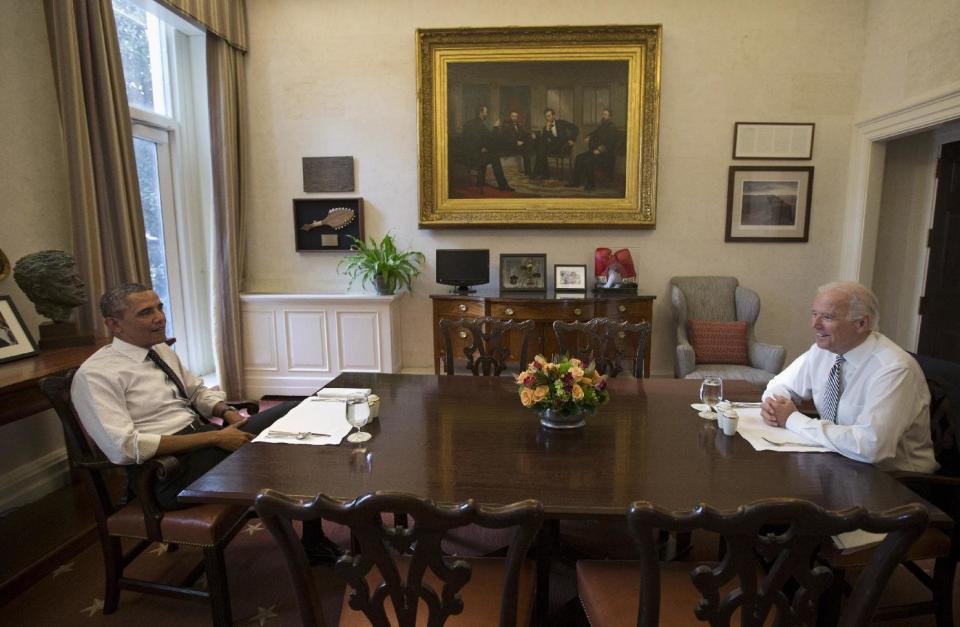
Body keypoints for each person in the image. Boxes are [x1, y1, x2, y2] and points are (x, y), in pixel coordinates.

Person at [71, 283, 342, 563]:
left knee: (297, 412)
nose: (159, 317)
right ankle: (315, 540)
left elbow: (197, 393)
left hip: (204, 444)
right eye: (145, 312)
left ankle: (319, 533)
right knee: (282, 453)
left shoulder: (160, 350)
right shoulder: (96, 375)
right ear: (114, 324)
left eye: (159, 307)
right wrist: (214, 438)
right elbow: (124, 448)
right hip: (167, 473)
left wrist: (228, 414)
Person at [761, 281, 937, 473]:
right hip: (840, 463)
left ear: (861, 323)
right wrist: (774, 406)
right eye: (814, 314)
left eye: (827, 317)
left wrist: (792, 419)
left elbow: (871, 447)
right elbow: (779, 384)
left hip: (896, 482)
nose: (815, 324)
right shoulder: (823, 351)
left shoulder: (894, 370)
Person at [461, 105, 514, 192]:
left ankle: (480, 181)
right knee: (494, 157)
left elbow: (475, 140)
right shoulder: (480, 125)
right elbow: (490, 138)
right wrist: (496, 127)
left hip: (467, 155)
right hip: (474, 157)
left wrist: (483, 147)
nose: (487, 114)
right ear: (481, 113)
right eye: (486, 112)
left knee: (487, 153)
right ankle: (503, 186)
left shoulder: (470, 123)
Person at [567, 108, 617, 191]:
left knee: (587, 160)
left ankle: (591, 184)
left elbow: (611, 144)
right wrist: (589, 136)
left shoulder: (612, 128)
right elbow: (595, 132)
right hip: (595, 151)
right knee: (579, 157)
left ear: (610, 117)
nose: (603, 117)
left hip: (605, 155)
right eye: (603, 114)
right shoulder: (602, 126)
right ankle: (576, 182)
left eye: (606, 115)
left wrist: (600, 150)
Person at [531, 108, 578, 180]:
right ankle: (543, 174)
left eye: (549, 116)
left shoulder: (561, 122)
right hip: (553, 147)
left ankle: (540, 173)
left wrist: (572, 139)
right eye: (546, 116)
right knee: (541, 148)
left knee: (541, 150)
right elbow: (544, 140)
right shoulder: (545, 127)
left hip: (563, 147)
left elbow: (575, 128)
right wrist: (547, 129)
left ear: (554, 116)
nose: (548, 118)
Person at [497, 110, 533, 176]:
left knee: (528, 144)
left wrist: (531, 134)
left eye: (516, 116)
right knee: (526, 150)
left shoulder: (518, 125)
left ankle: (529, 172)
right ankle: (528, 172)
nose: (514, 118)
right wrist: (516, 142)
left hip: (518, 145)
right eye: (513, 116)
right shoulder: (506, 126)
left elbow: (524, 133)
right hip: (510, 145)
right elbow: (505, 139)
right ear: (510, 117)